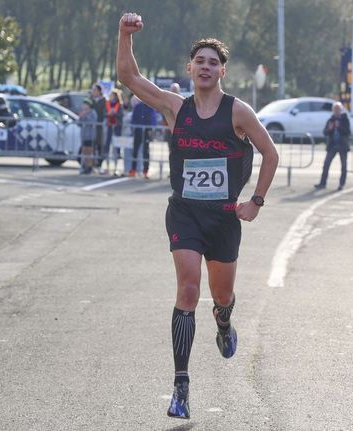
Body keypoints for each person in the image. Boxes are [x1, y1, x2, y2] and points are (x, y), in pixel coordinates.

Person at [116, 13, 279, 420]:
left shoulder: (238, 111)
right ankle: (181, 387)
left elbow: (270, 153)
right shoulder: (175, 108)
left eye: (213, 62)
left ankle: (223, 320)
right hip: (185, 212)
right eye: (199, 61)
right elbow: (129, 77)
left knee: (221, 296)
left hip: (223, 218)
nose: (205, 67)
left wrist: (256, 202)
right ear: (189, 68)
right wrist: (124, 34)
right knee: (188, 291)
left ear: (222, 70)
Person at [314, 102, 351, 191]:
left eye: (338, 109)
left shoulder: (345, 120)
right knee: (326, 164)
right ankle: (323, 183)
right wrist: (329, 129)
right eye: (335, 109)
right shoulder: (331, 120)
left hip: (342, 145)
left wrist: (339, 127)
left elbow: (347, 132)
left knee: (343, 166)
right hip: (332, 145)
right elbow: (325, 132)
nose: (336, 111)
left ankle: (341, 184)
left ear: (341, 110)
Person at [129, 95, 156, 178]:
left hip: (146, 132)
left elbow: (153, 120)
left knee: (146, 152)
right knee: (135, 151)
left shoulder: (151, 107)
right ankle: (133, 170)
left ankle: (145, 171)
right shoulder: (138, 107)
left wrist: (151, 129)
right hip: (138, 131)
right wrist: (134, 127)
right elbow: (133, 119)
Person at [105, 89, 124, 175]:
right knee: (107, 148)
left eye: (112, 95)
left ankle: (116, 167)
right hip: (109, 128)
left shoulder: (119, 105)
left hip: (116, 128)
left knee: (116, 149)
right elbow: (104, 113)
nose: (111, 97)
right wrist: (108, 114)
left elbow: (121, 115)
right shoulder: (107, 103)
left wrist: (114, 113)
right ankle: (107, 167)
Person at [78, 99, 97, 175]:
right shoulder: (82, 112)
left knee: (89, 152)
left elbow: (92, 122)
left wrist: (86, 116)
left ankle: (90, 167)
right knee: (84, 152)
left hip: (90, 135)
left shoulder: (93, 113)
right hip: (84, 135)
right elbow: (79, 123)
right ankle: (85, 167)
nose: (84, 106)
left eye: (85, 104)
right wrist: (81, 117)